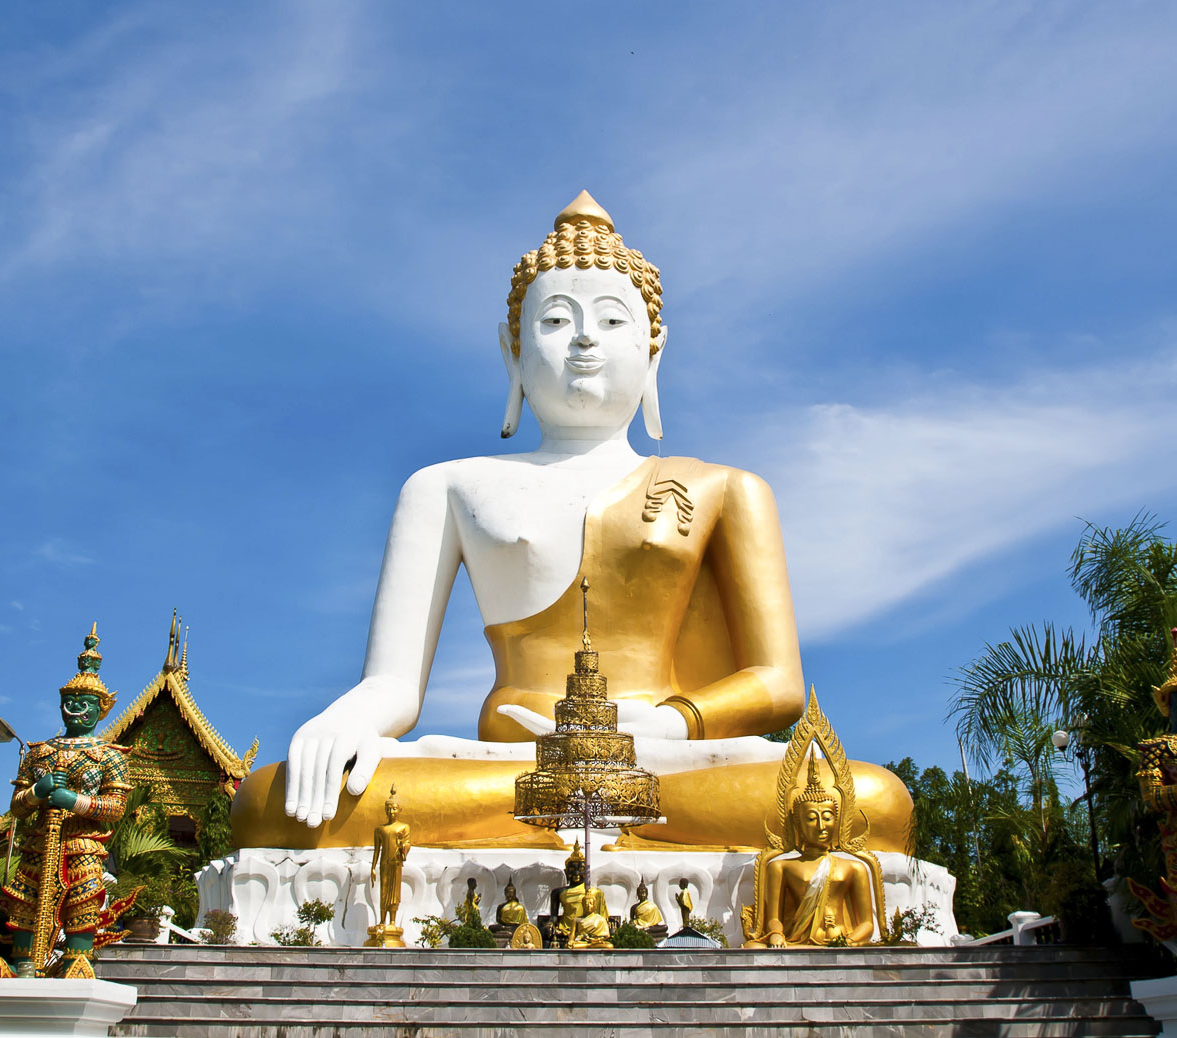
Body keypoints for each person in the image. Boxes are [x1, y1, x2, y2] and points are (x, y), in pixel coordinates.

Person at [231, 192, 911, 852]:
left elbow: (779, 684)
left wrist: (672, 724)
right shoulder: (446, 488)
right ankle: (576, 817)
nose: (585, 339)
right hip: (510, 763)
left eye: (613, 322)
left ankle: (585, 813)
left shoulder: (724, 489)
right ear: (511, 350)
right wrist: (349, 719)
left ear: (654, 351)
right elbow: (393, 687)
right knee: (278, 800)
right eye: (555, 321)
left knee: (867, 802)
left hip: (666, 760)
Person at [0, 626, 133, 976]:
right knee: (25, 914)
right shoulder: (41, 752)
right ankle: (23, 968)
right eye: (70, 702)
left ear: (101, 710)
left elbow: (115, 808)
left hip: (82, 849)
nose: (75, 709)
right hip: (37, 847)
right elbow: (16, 806)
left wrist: (73, 800)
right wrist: (39, 792)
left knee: (81, 913)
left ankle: (75, 968)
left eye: (84, 704)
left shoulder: (108, 756)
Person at [747, 759, 875, 948]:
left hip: (841, 940)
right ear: (797, 824)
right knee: (754, 948)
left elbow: (866, 924)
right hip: (797, 942)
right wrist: (776, 934)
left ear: (838, 821)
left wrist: (849, 942)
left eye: (827, 818)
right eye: (811, 818)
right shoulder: (781, 866)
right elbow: (773, 918)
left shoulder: (855, 868)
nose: (821, 826)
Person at [370, 785, 410, 929]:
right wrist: (373, 867)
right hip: (384, 863)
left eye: (394, 808)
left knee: (394, 893)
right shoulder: (380, 829)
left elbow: (407, 844)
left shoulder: (404, 827)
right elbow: (376, 850)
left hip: (396, 863)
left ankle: (392, 921)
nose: (391, 812)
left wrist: (402, 847)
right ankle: (382, 921)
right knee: (384, 891)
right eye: (389, 809)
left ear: (400, 810)